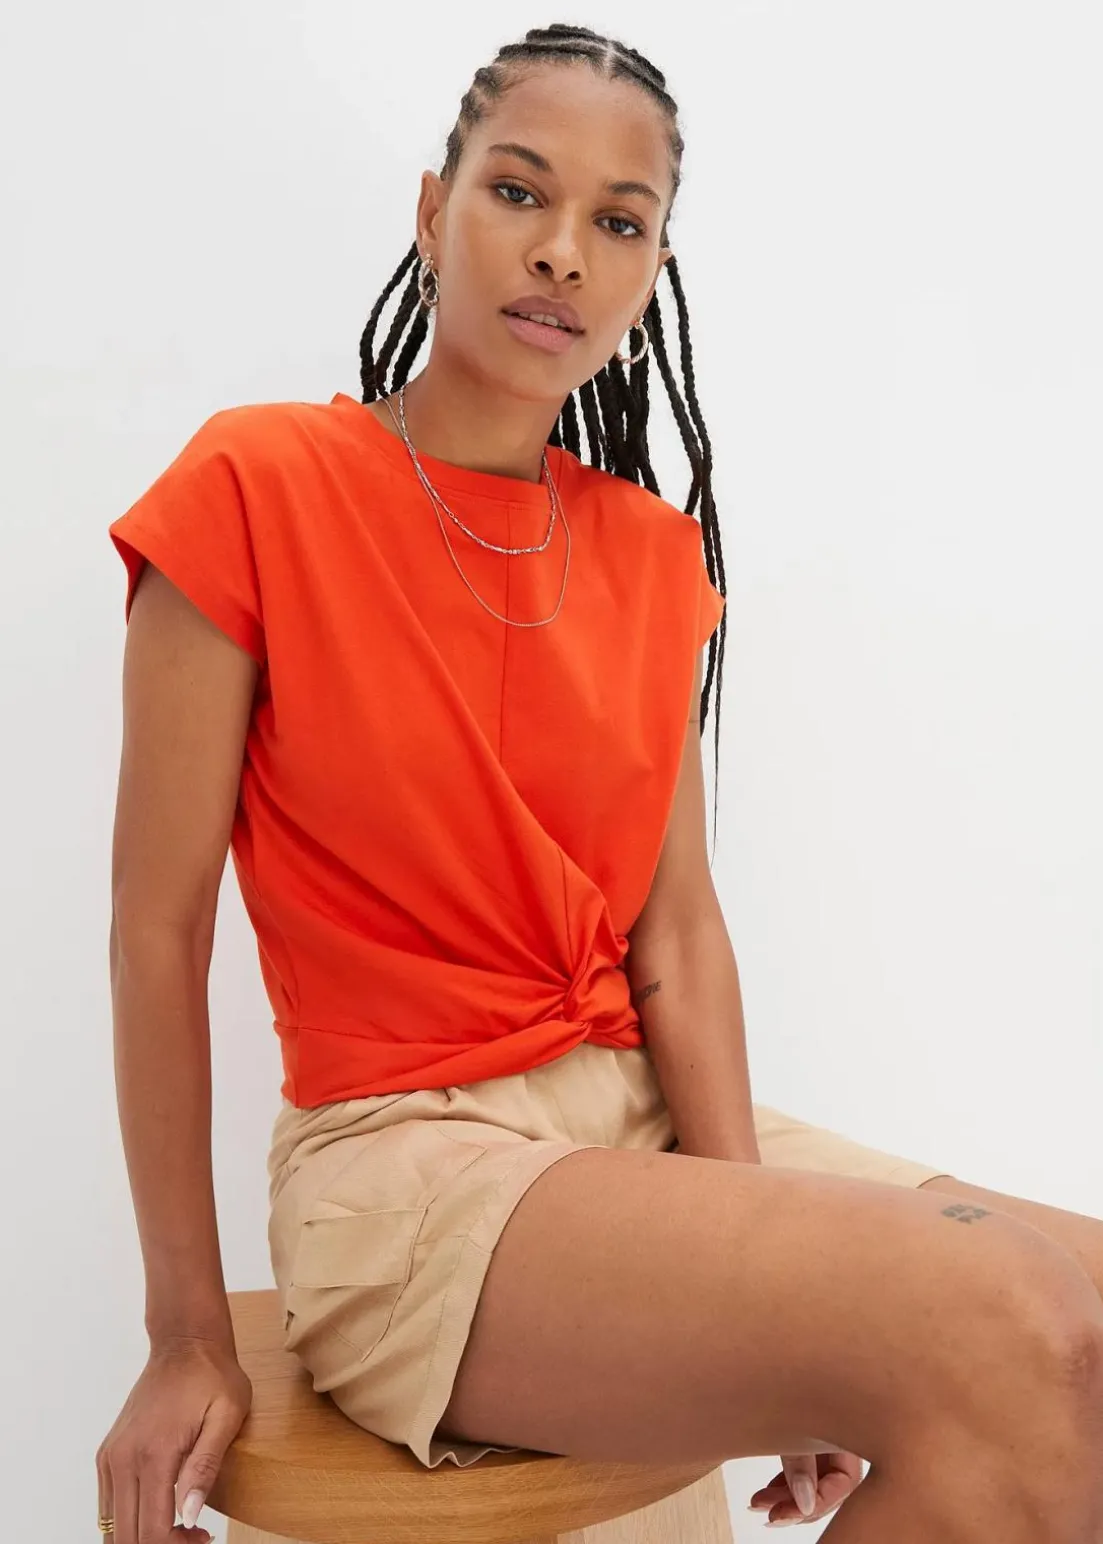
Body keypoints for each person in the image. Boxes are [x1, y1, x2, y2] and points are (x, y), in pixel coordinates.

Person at [95, 21, 1103, 1544]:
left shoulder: (649, 554)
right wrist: (184, 1330)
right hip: (411, 1164)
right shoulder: (257, 487)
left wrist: (772, 1271)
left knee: (1083, 1317)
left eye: (617, 223)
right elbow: (154, 930)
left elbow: (676, 934)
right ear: (431, 210)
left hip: (631, 1134)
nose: (562, 251)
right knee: (1002, 1317)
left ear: (652, 273)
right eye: (519, 192)